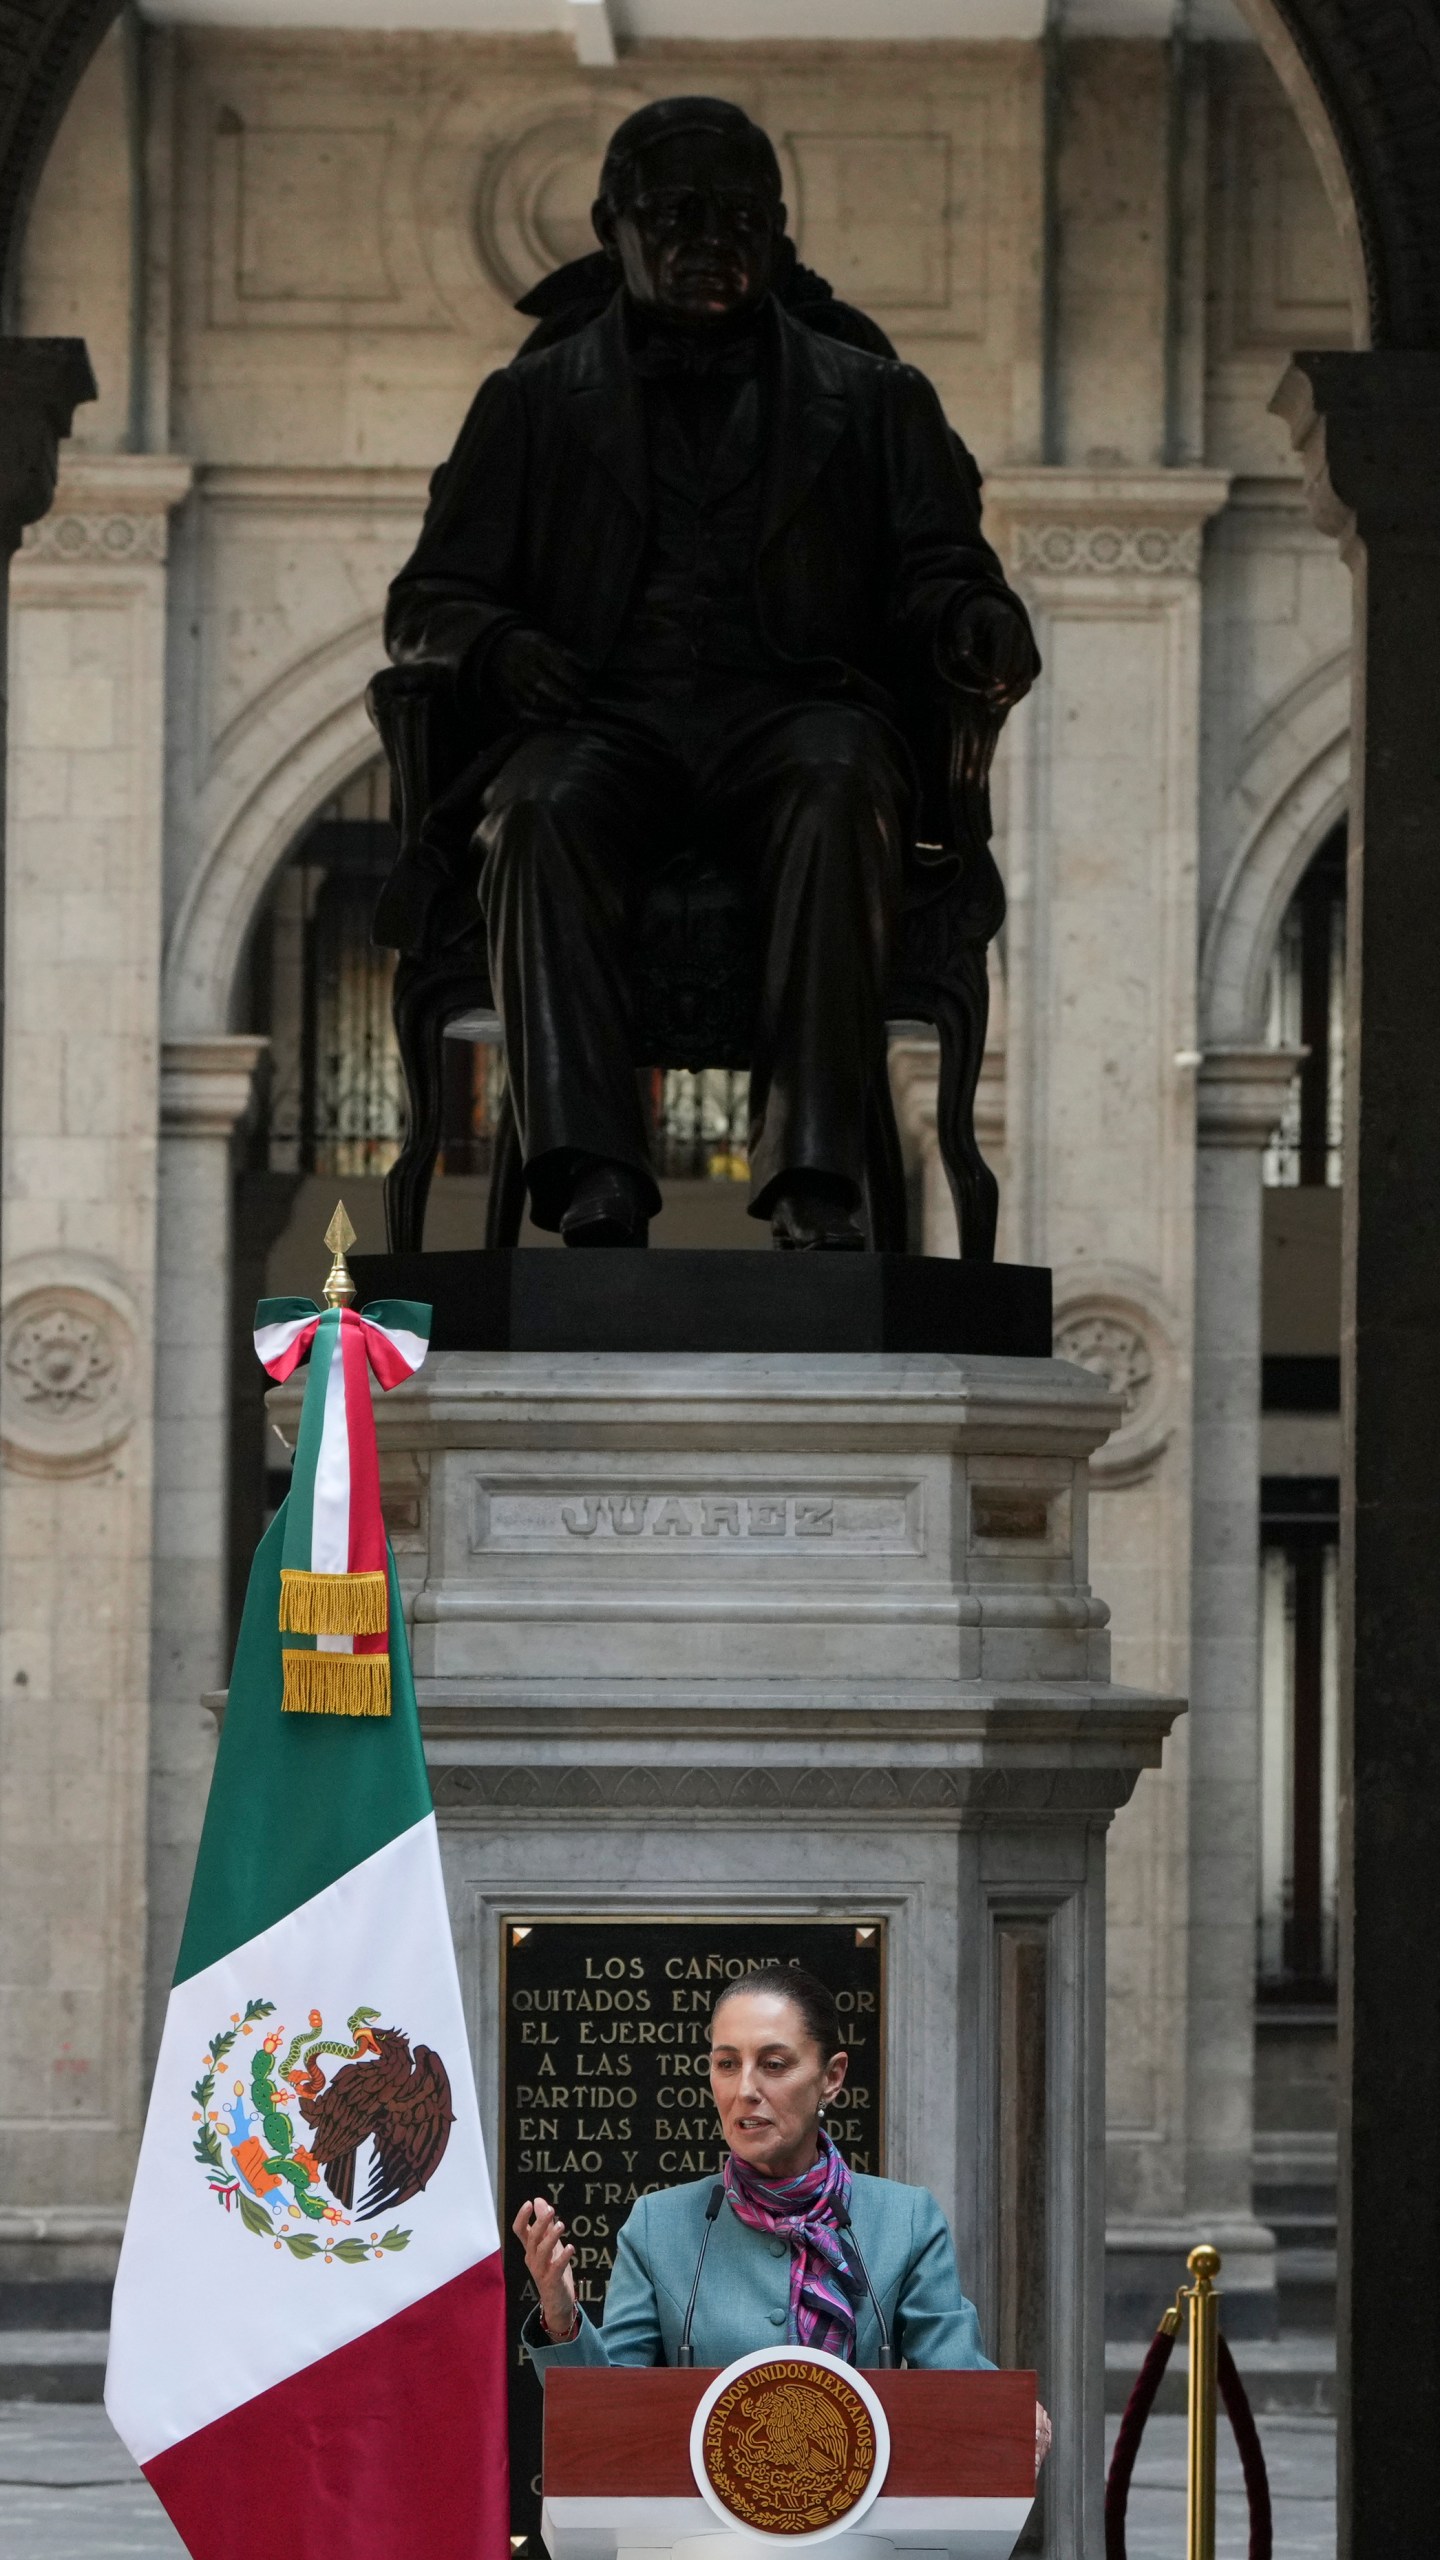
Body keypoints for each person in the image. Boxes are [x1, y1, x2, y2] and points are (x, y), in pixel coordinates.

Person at [385, 96, 1037, 1251]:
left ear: (779, 234)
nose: (707, 237)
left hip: (793, 714)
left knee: (841, 782)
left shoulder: (878, 399)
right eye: (675, 212)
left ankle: (815, 1178)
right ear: (610, 225)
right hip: (601, 714)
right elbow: (427, 605)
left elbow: (941, 566)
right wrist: (496, 646)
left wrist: (976, 619)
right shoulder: (530, 403)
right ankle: (591, 1175)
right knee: (533, 810)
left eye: (739, 216)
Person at [513, 1964, 1051, 2462]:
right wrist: (561, 2320)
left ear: (832, 2077)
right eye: (727, 2064)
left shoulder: (904, 2219)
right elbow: (609, 2415)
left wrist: (1006, 2420)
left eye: (773, 2065)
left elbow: (957, 2383)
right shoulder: (660, 2226)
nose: (746, 2089)